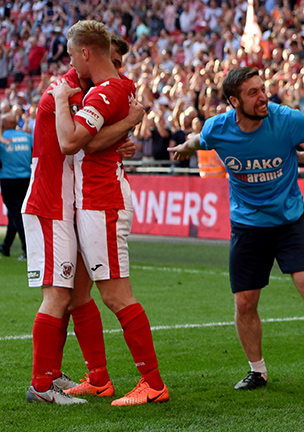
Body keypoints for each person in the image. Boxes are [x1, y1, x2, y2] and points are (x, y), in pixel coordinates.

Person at [169, 66, 304, 391]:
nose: (263, 97)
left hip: (290, 221)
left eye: (263, 89)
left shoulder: (285, 118)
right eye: (253, 93)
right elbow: (199, 141)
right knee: (245, 303)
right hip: (248, 226)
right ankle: (257, 371)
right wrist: (184, 148)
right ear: (234, 101)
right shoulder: (218, 128)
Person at [22, 25, 143, 405]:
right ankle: (41, 385)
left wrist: (123, 140)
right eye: (113, 62)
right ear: (93, 55)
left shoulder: (89, 91)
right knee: (58, 295)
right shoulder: (67, 91)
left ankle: (67, 375)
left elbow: (96, 141)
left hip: (70, 204)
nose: (118, 72)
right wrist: (127, 122)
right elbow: (73, 142)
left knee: (75, 294)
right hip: (50, 202)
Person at [49, 20, 168, 406]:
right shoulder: (115, 89)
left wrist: (61, 100)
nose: (71, 64)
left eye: (72, 55)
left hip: (103, 203)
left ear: (85, 52)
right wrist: (127, 126)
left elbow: (71, 142)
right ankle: (99, 378)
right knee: (78, 294)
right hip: (91, 201)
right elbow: (99, 138)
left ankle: (153, 383)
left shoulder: (105, 92)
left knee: (116, 295)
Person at [0, 113, 32, 260]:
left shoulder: (3, 139)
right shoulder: (27, 137)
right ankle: (6, 246)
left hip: (9, 179)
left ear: (3, 124)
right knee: (15, 214)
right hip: (26, 179)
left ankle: (27, 249)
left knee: (17, 214)